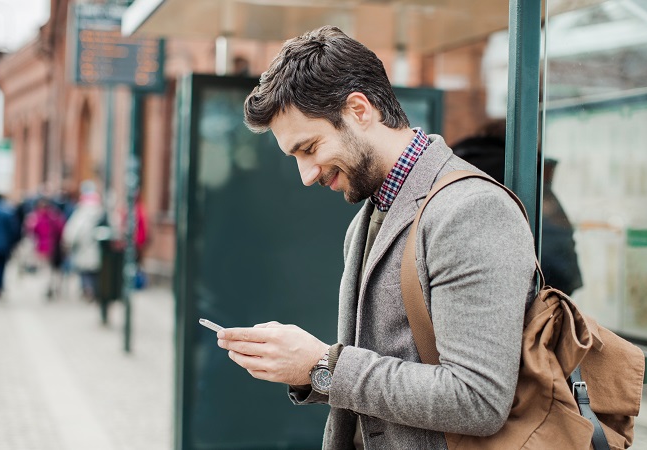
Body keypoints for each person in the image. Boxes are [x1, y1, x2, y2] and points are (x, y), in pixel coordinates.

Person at [217, 26, 538, 449]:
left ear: (359, 110)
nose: (307, 175)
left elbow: (478, 399)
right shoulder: (368, 215)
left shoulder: (470, 210)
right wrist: (305, 368)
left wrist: (320, 363)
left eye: (310, 148)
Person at [450, 120, 583, 296]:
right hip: (520, 293)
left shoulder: (455, 167)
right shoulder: (522, 175)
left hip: (460, 283)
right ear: (525, 142)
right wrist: (563, 286)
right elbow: (555, 236)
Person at [62, 190, 103, 300]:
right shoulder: (101, 212)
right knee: (95, 271)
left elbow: (72, 231)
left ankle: (87, 289)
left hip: (83, 249)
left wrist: (68, 243)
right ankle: (94, 290)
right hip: (97, 250)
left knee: (85, 271)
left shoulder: (81, 214)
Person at [25, 198, 65, 298]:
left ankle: (48, 288)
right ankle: (51, 287)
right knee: (52, 269)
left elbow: (32, 232)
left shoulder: (36, 218)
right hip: (52, 246)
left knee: (46, 269)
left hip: (43, 248)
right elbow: (61, 231)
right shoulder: (55, 217)